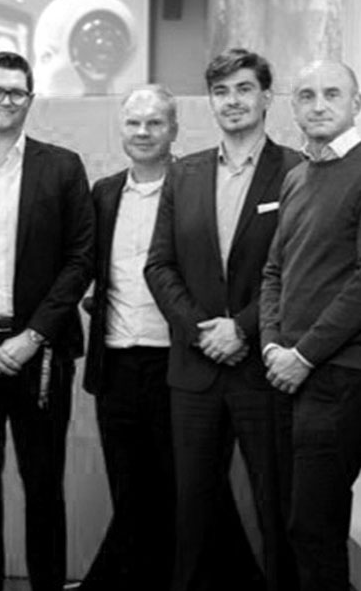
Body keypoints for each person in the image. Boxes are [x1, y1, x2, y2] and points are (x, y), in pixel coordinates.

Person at [81, 85, 271, 591]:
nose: (143, 133)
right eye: (133, 123)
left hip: (181, 363)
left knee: (192, 492)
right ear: (121, 128)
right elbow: (99, 270)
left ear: (174, 130)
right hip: (118, 363)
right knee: (130, 489)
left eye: (155, 123)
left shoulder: (194, 184)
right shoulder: (102, 193)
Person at [145, 48, 300, 591]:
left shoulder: (297, 171)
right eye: (221, 91)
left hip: (265, 370)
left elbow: (298, 274)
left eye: (243, 89)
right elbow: (159, 265)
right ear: (210, 101)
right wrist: (201, 330)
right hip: (195, 371)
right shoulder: (182, 173)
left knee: (278, 509)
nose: (232, 101)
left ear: (265, 97)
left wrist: (244, 327)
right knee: (193, 512)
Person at [0, 51, 94, 591]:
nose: (5, 101)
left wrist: (34, 336)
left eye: (17, 93)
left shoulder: (63, 166)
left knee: (43, 485)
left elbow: (81, 259)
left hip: (41, 354)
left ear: (30, 100)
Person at [261, 60, 361, 591]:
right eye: (305, 95)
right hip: (289, 373)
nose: (318, 104)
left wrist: (304, 355)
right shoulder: (297, 177)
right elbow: (275, 270)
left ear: (355, 104)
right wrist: (273, 345)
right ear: (292, 106)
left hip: (340, 375)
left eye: (331, 94)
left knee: (315, 526)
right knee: (301, 526)